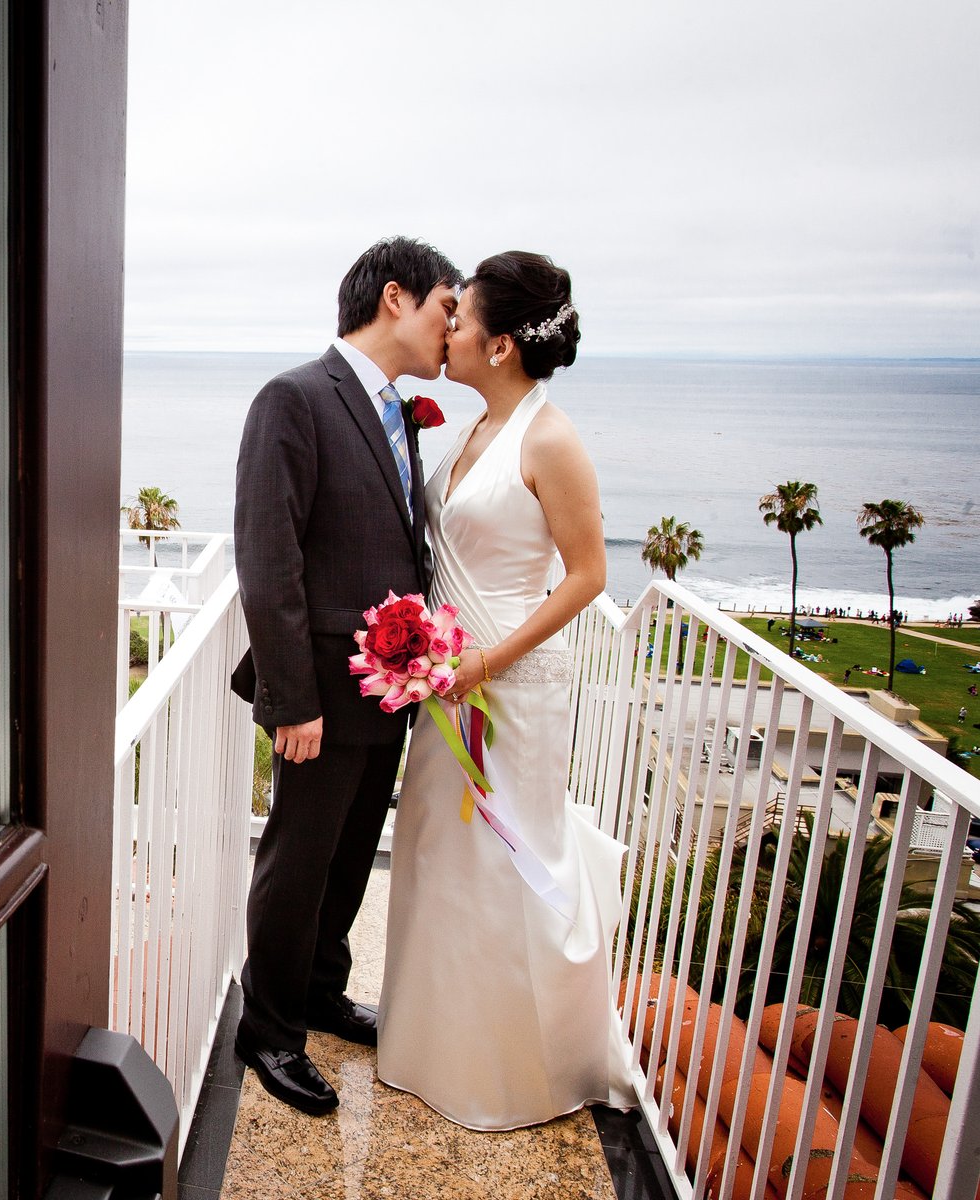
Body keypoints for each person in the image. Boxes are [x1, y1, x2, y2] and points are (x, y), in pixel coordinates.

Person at [374, 251, 636, 1129]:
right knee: (437, 855)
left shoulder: (549, 439)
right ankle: (430, 1048)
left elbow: (588, 575)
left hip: (510, 689)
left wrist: (488, 661)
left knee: (501, 866)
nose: (447, 330)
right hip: (445, 682)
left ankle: (506, 1072)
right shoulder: (473, 428)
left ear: (500, 346)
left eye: (462, 319)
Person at [230, 236, 455, 1116]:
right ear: (396, 297)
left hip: (386, 687)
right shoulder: (294, 398)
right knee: (298, 860)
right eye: (445, 306)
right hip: (320, 692)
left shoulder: (394, 409)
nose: (452, 328)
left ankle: (322, 992)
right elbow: (268, 557)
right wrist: (292, 700)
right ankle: (269, 1031)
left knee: (353, 852)